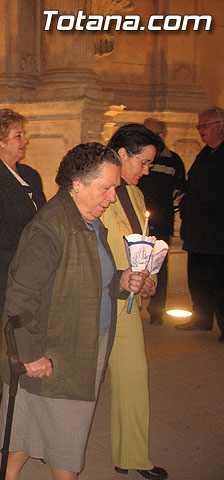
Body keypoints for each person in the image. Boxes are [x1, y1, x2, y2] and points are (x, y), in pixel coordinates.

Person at [0, 143, 153, 480]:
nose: (112, 197)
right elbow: (20, 296)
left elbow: (89, 276)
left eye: (115, 188)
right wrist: (30, 355)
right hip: (59, 352)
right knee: (67, 445)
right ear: (77, 182)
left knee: (28, 426)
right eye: (106, 187)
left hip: (82, 340)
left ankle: (1, 476)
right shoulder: (51, 227)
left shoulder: (88, 220)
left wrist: (122, 281)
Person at [0, 108, 46, 430]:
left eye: (23, 134)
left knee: (26, 339)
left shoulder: (30, 175)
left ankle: (28, 408)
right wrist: (34, 240)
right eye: (18, 135)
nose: (24, 140)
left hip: (28, 272)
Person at [101, 123, 168, 480]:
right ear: (122, 153)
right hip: (96, 298)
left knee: (133, 375)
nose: (145, 171)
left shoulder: (136, 195)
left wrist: (150, 278)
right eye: (142, 162)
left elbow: (144, 242)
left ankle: (133, 456)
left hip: (126, 302)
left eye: (150, 165)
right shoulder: (96, 187)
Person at [176, 106, 224, 342]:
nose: (200, 130)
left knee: (219, 282)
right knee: (198, 280)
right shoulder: (204, 154)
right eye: (199, 126)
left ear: (220, 126)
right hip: (197, 232)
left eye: (204, 126)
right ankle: (201, 318)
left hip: (218, 234)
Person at [138, 118, 186, 325]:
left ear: (161, 136)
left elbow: (179, 192)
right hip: (138, 221)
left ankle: (157, 311)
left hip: (162, 221)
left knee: (159, 266)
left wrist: (166, 211)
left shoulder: (173, 160)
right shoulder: (137, 157)